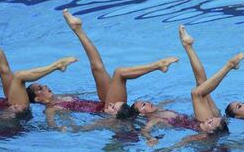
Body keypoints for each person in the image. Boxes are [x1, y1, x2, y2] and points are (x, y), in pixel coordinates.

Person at [26, 9, 178, 130]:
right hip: (108, 110)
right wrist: (62, 127)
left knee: (97, 67)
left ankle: (77, 28)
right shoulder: (52, 108)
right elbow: (52, 123)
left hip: (103, 101)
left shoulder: (63, 96)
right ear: (39, 99)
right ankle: (158, 65)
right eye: (40, 88)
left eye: (43, 85)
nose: (45, 86)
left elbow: (85, 95)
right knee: (119, 73)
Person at [132, 25, 244, 146]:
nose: (148, 103)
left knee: (202, 84)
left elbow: (175, 100)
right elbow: (144, 131)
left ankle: (188, 46)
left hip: (212, 119)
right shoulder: (152, 120)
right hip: (203, 123)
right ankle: (229, 66)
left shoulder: (160, 107)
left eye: (145, 101)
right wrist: (149, 138)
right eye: (143, 105)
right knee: (196, 94)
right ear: (141, 114)